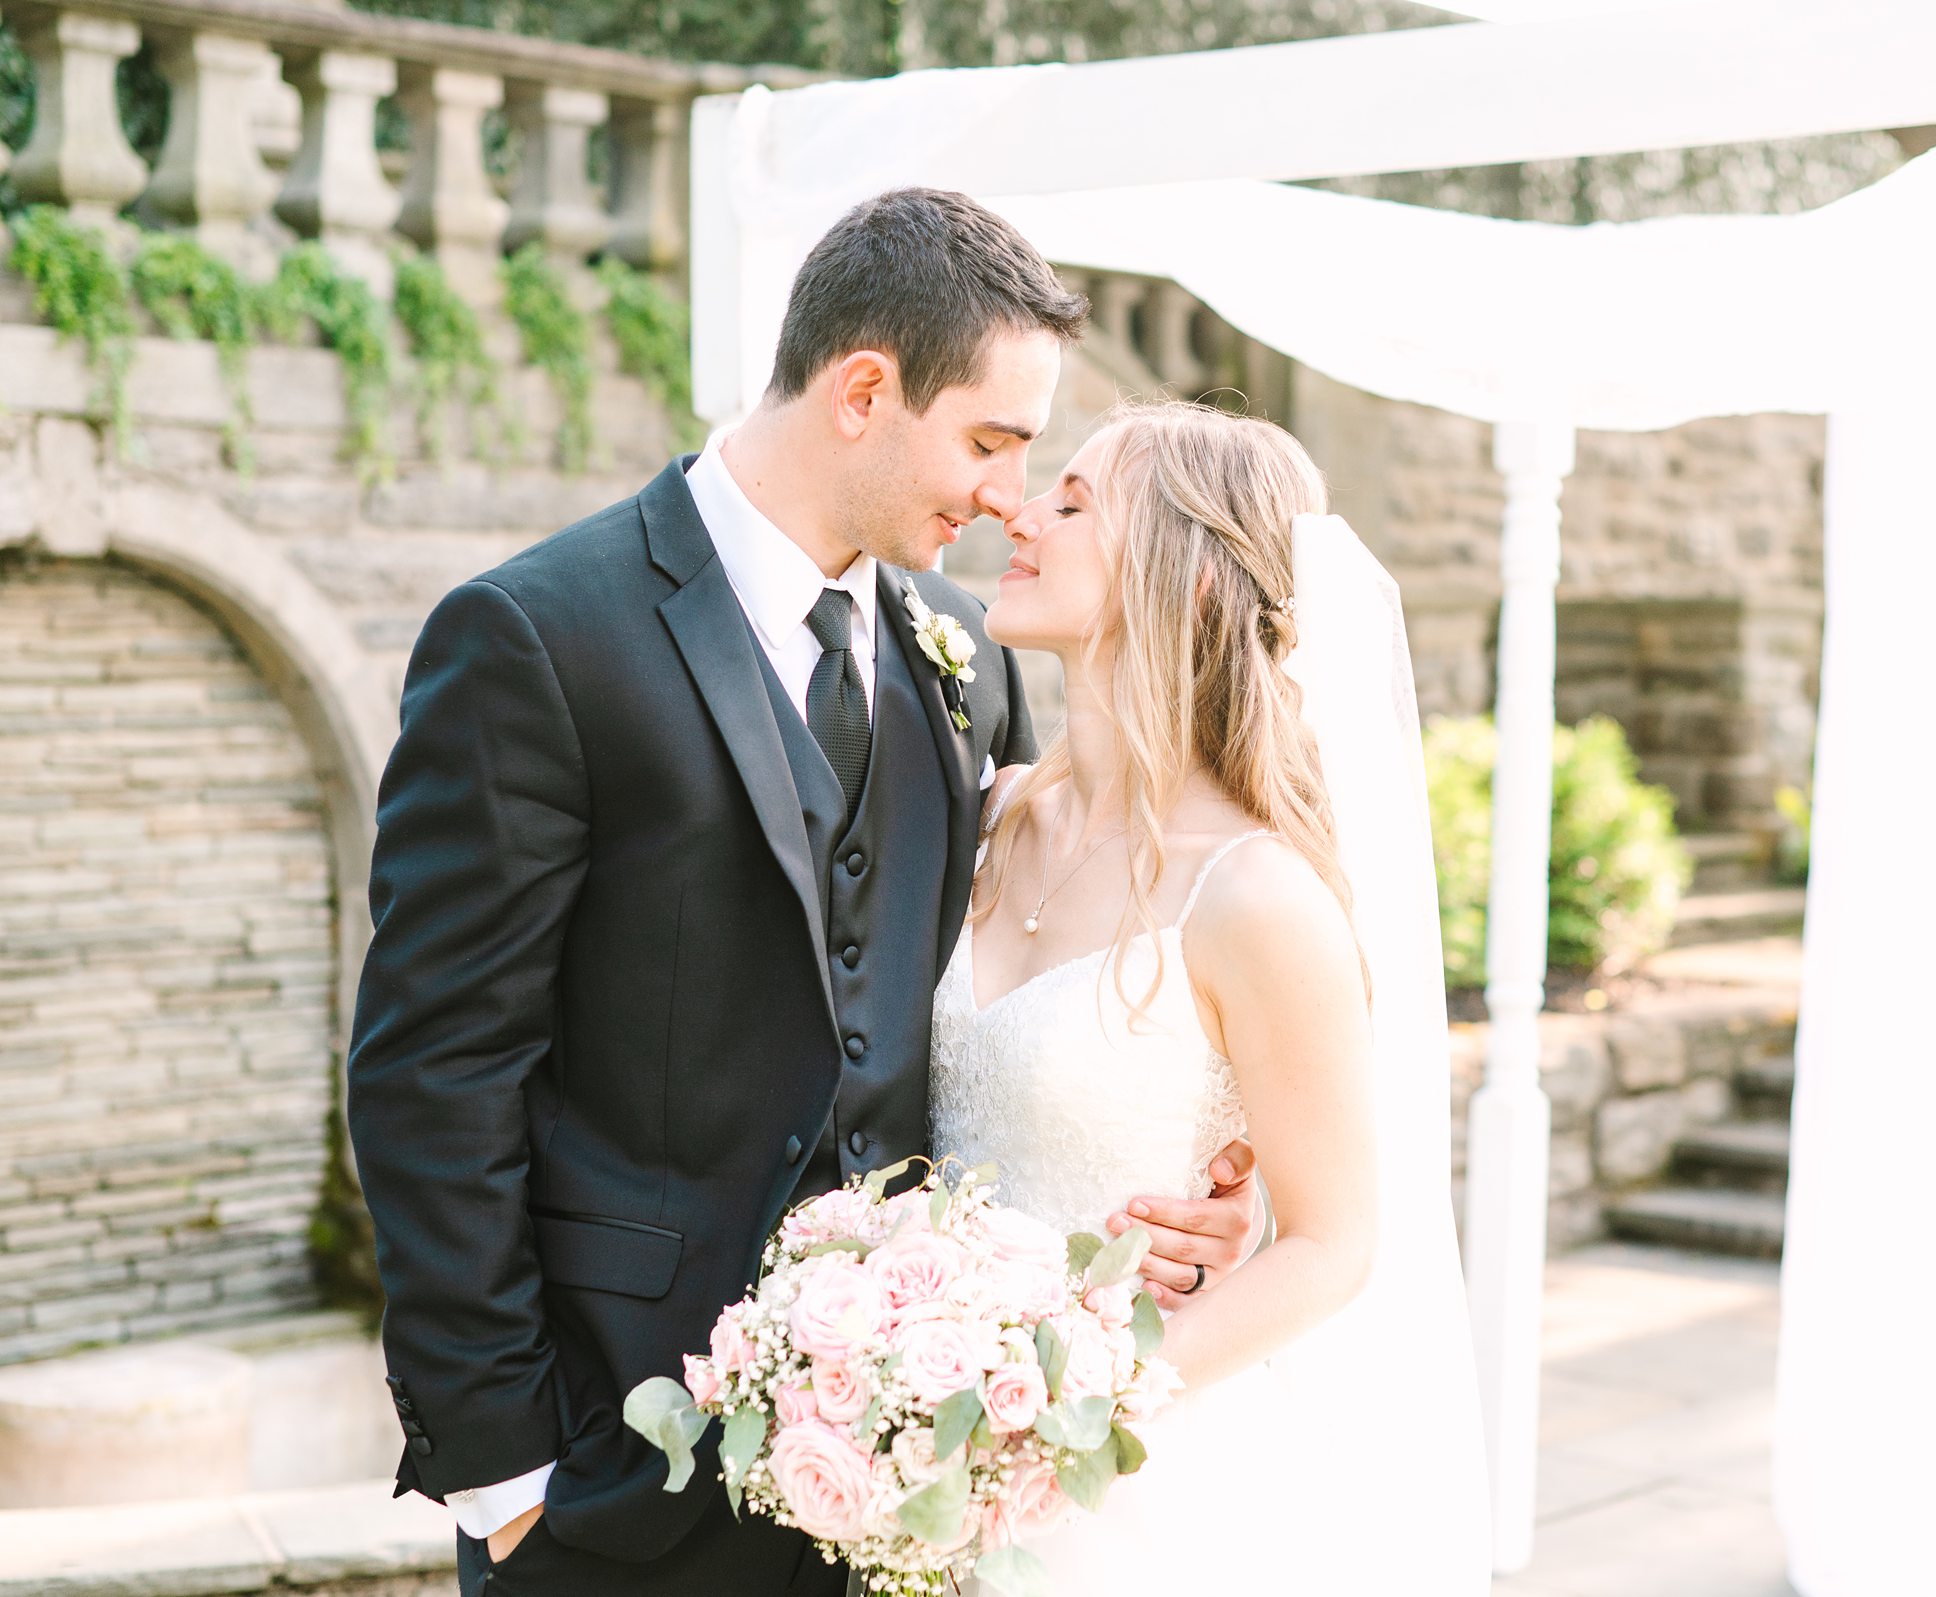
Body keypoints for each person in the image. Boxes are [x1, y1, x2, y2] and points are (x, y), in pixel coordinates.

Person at [345, 189, 1264, 1597]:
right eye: (989, 441)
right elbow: (434, 1072)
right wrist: (506, 1475)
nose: (1008, 497)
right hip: (610, 1471)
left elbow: (1010, 978)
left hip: (912, 1483)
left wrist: (1198, 1188)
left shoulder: (966, 652)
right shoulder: (538, 637)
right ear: (863, 392)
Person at [933, 398, 1491, 1594]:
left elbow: (1336, 1243)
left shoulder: (1258, 898)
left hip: (1131, 1485)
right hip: (927, 1456)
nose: (1021, 512)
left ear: (1187, 583)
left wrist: (1078, 1408)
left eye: (1074, 502)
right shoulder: (982, 815)